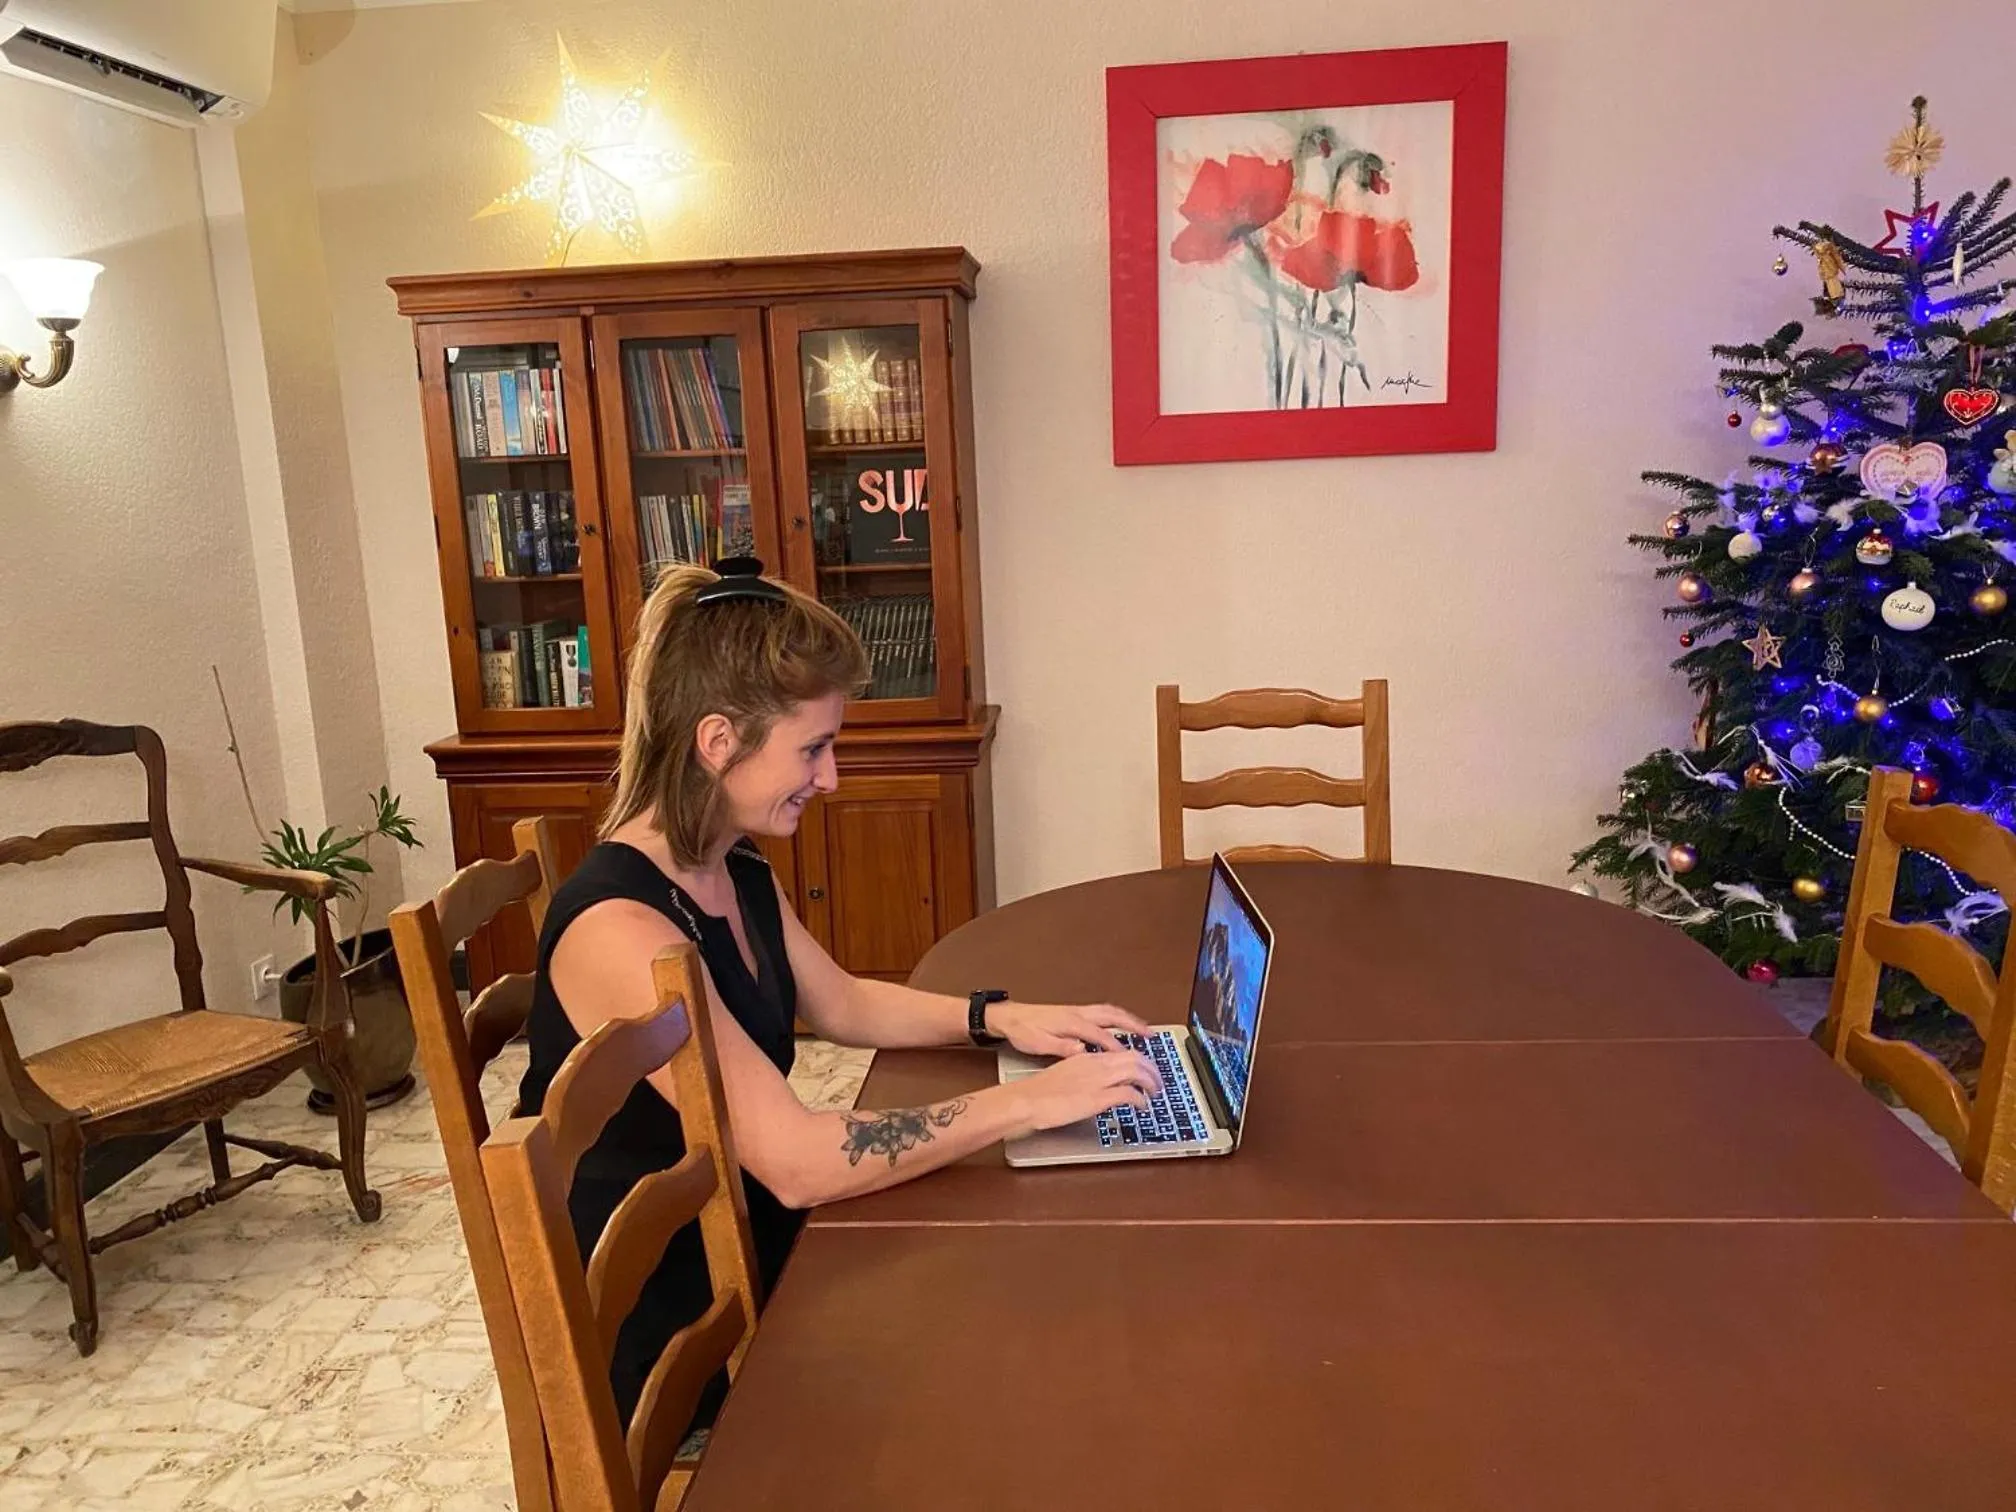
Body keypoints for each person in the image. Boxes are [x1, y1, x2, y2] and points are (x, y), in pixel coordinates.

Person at [519, 559, 1163, 1429]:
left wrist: (1002, 1019)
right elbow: (795, 1163)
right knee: (1014, 1339)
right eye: (814, 748)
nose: (831, 779)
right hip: (678, 1320)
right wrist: (1026, 1106)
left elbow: (842, 1004)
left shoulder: (725, 864)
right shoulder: (620, 929)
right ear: (718, 742)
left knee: (1019, 1285)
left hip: (738, 1239)